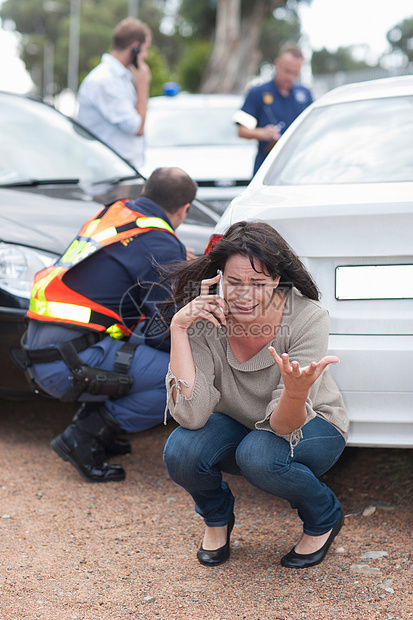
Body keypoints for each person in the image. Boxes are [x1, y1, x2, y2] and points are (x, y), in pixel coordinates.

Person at [162, 221, 349, 569]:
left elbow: (282, 427)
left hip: (310, 426)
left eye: (258, 283)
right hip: (241, 424)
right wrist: (180, 327)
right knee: (181, 450)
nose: (244, 295)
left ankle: (324, 516)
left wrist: (294, 392)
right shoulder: (206, 318)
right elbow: (192, 415)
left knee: (259, 454)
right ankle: (217, 519)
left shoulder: (307, 317)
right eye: (234, 283)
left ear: (277, 280)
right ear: (219, 278)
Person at [22, 167, 197, 483]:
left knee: (141, 351)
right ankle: (85, 435)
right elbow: (166, 326)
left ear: (146, 192)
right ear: (184, 209)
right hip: (69, 360)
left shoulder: (116, 213)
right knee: (180, 379)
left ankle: (96, 427)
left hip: (45, 349)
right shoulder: (159, 239)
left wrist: (173, 260)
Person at [76, 17, 152, 169]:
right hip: (108, 174)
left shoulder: (119, 78)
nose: (146, 56)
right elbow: (136, 128)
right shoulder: (105, 81)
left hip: (118, 171)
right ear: (135, 47)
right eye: (145, 50)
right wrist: (143, 85)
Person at [234, 43, 313, 176]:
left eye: (295, 73)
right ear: (277, 64)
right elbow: (241, 131)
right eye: (287, 71)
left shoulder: (304, 94)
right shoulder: (257, 92)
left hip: (297, 167)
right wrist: (262, 133)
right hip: (267, 167)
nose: (290, 77)